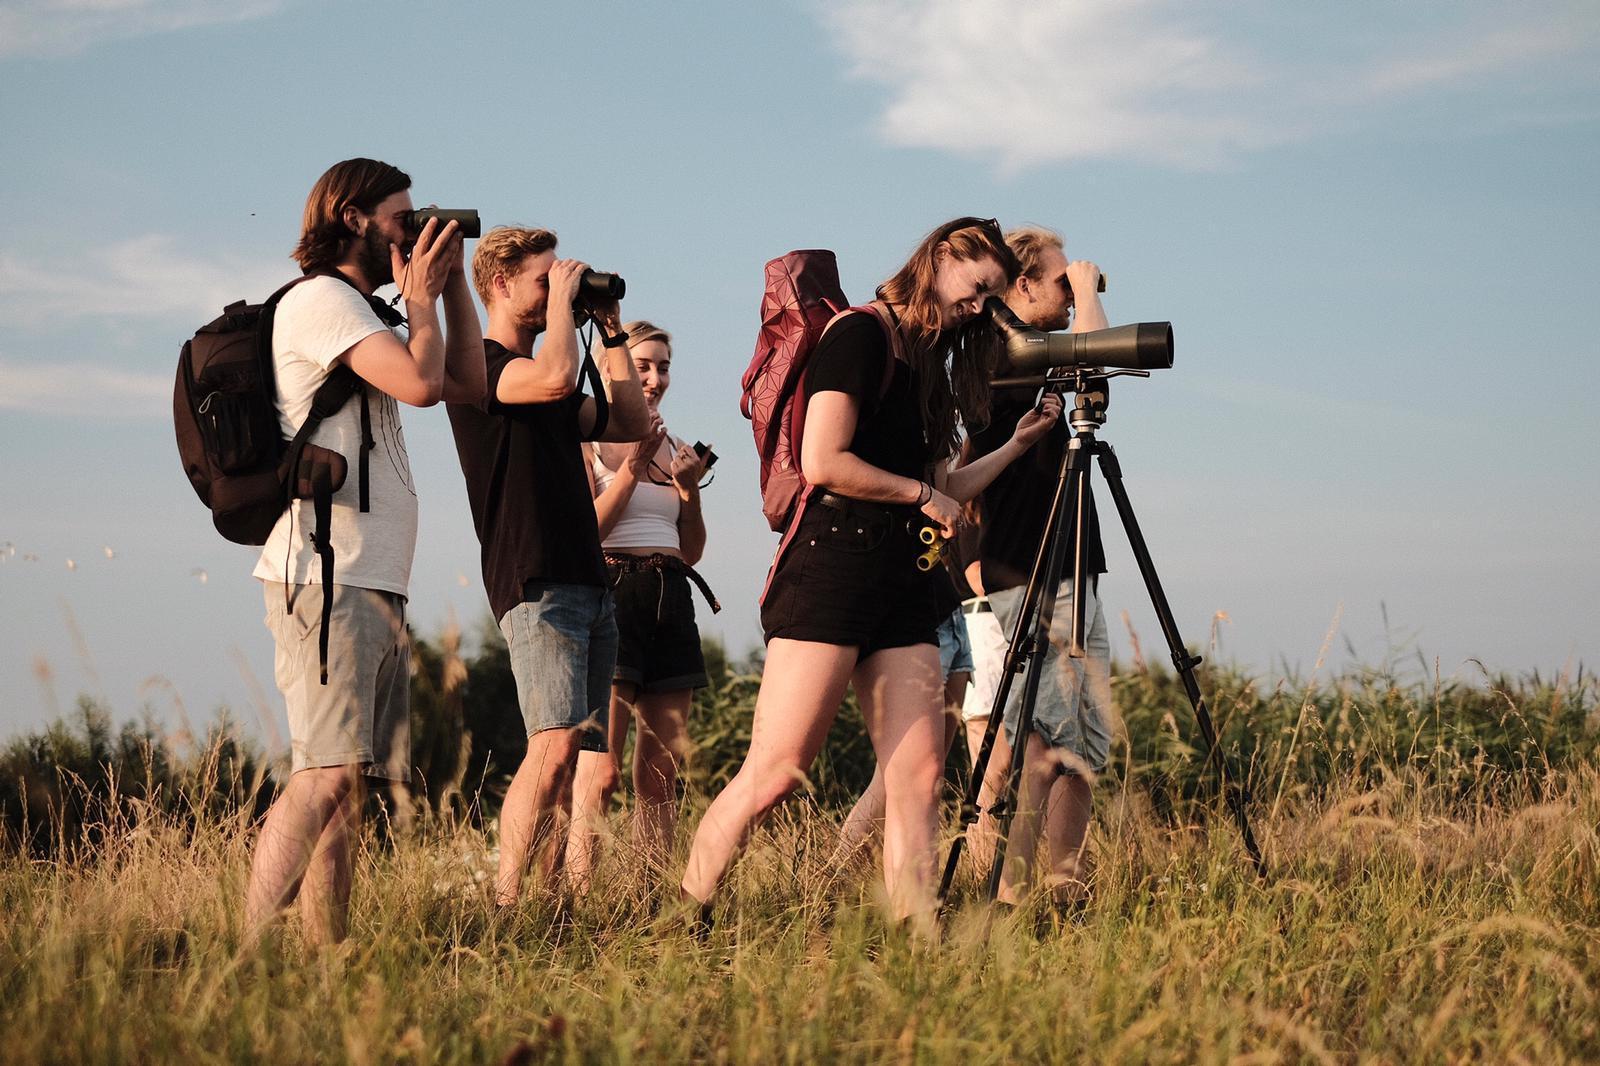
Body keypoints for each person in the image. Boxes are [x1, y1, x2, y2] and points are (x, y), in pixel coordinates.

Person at [680, 217, 1062, 927]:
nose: (978, 309)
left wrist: (1014, 445)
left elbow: (947, 479)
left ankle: (916, 940)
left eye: (991, 300)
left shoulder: (927, 361)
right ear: (943, 255)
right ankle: (685, 914)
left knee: (918, 775)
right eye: (977, 290)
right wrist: (922, 495)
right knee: (777, 772)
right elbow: (827, 461)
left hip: (905, 584)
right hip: (832, 568)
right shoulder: (857, 335)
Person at [245, 158, 484, 945]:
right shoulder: (321, 301)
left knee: (348, 786)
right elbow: (418, 384)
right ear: (352, 217)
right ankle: (245, 955)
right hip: (325, 571)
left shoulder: (369, 310)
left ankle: (326, 956)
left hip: (374, 576)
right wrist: (416, 299)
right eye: (400, 216)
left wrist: (448, 285)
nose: (409, 229)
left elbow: (466, 382)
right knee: (324, 775)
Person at [447, 226, 652, 907]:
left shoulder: (553, 376)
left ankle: (555, 905)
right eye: (543, 279)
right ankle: (507, 904)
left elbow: (628, 422)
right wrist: (567, 306)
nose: (554, 289)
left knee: (574, 763)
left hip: (590, 582)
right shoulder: (481, 364)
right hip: (535, 581)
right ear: (500, 285)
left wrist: (613, 332)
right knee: (554, 746)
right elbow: (555, 376)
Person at [969, 224, 1114, 907]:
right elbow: (1099, 360)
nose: (1070, 289)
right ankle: (1065, 898)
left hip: (1039, 568)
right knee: (1076, 748)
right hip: (1043, 571)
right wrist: (1087, 293)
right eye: (1057, 280)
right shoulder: (1014, 353)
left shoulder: (1009, 356)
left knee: (1039, 748)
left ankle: (1010, 898)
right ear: (1021, 285)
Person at [565, 321, 717, 889]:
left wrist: (688, 490)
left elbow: (692, 550)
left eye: (663, 367)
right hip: (611, 591)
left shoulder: (677, 448)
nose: (653, 379)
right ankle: (577, 901)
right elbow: (586, 530)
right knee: (600, 771)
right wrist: (632, 465)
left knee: (662, 775)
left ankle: (649, 902)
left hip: (671, 597)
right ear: (612, 370)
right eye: (642, 366)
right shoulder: (588, 442)